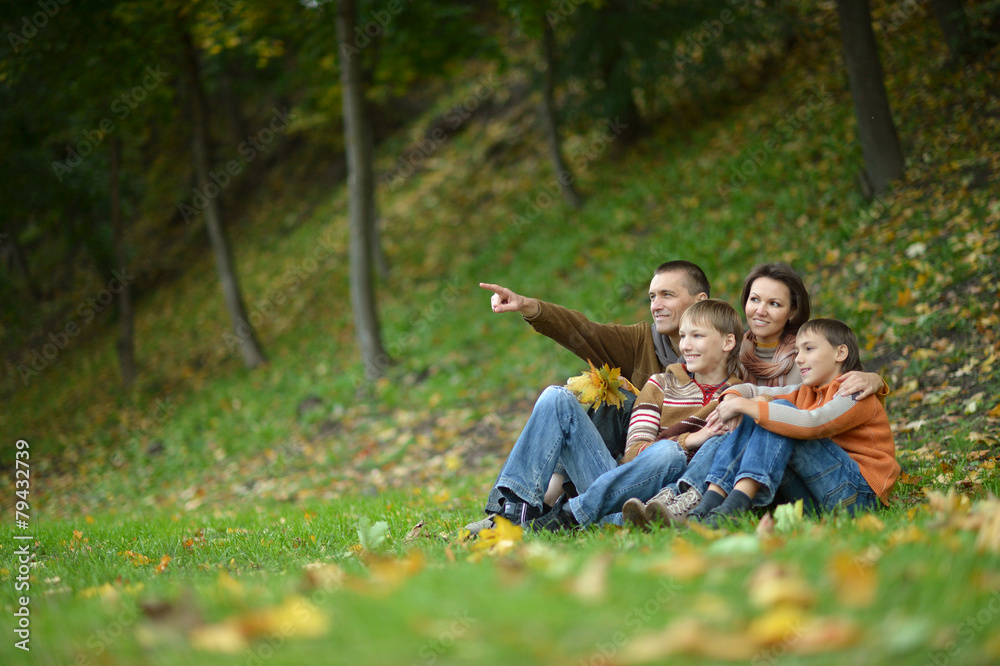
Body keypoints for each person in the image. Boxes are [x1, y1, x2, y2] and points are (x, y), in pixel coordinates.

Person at [624, 263, 885, 528]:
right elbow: (764, 392)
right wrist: (735, 397)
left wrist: (875, 379)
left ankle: (723, 504)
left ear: (791, 311)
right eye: (754, 299)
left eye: (774, 303)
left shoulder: (834, 380)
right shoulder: (730, 347)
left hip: (843, 484)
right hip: (785, 476)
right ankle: (692, 502)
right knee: (760, 413)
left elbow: (809, 418)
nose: (760, 310)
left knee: (773, 414)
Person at [475, 299, 743, 534]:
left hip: (662, 507)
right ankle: (515, 510)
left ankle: (569, 514)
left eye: (697, 336)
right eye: (683, 336)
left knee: (673, 453)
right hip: (620, 496)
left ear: (728, 342)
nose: (686, 345)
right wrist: (693, 439)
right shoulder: (661, 384)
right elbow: (634, 454)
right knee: (556, 397)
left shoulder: (739, 396)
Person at [680, 318, 900, 527]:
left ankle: (735, 506)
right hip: (817, 499)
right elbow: (756, 390)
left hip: (859, 496)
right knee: (765, 413)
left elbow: (814, 423)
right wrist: (733, 398)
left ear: (840, 352)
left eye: (809, 349)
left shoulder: (855, 392)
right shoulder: (806, 392)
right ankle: (710, 504)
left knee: (778, 413)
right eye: (797, 351)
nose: (798, 359)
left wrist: (746, 406)